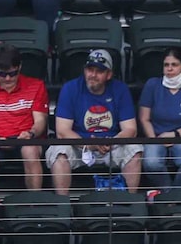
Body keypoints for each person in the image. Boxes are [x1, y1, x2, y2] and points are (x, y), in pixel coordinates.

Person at [50, 46, 142, 192]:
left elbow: (130, 129)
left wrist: (110, 142)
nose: (93, 75)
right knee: (59, 151)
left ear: (109, 74)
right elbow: (62, 131)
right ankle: (63, 207)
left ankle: (129, 202)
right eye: (89, 70)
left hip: (111, 144)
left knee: (134, 150)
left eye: (99, 71)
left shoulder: (120, 89)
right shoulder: (70, 88)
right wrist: (89, 144)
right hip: (80, 145)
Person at [0, 39, 51, 193]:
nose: (7, 78)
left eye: (12, 73)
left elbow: (40, 121)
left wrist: (30, 133)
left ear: (19, 67)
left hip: (26, 139)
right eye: (2, 74)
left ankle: (34, 203)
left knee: (29, 150)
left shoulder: (36, 86)